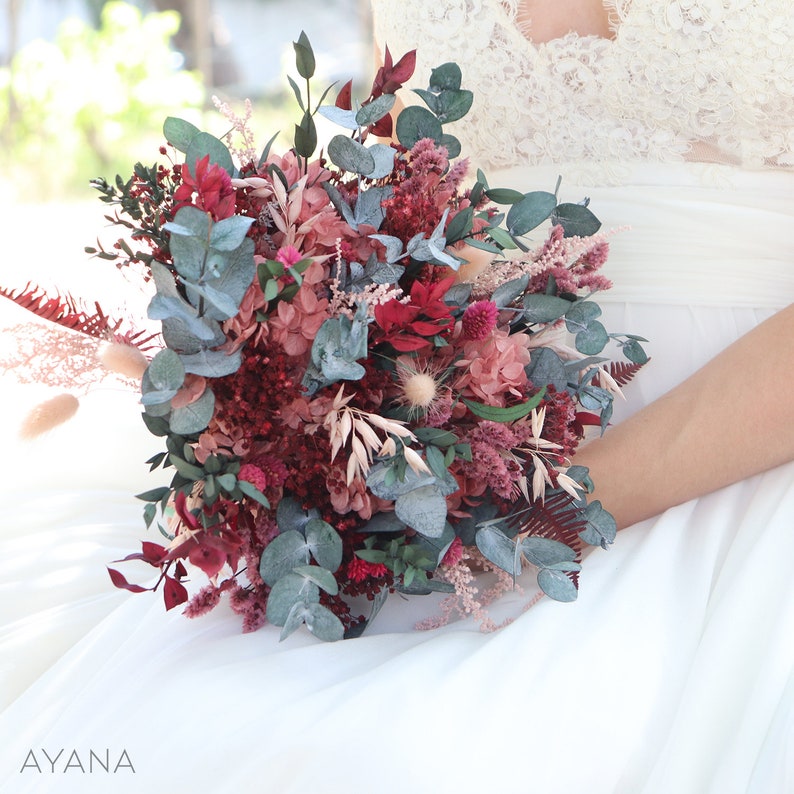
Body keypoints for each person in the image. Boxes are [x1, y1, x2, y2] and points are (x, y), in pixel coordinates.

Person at [0, 2, 791, 793]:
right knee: (201, 721)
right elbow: (423, 203)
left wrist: (550, 509)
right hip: (457, 449)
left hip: (741, 445)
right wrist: (315, 401)